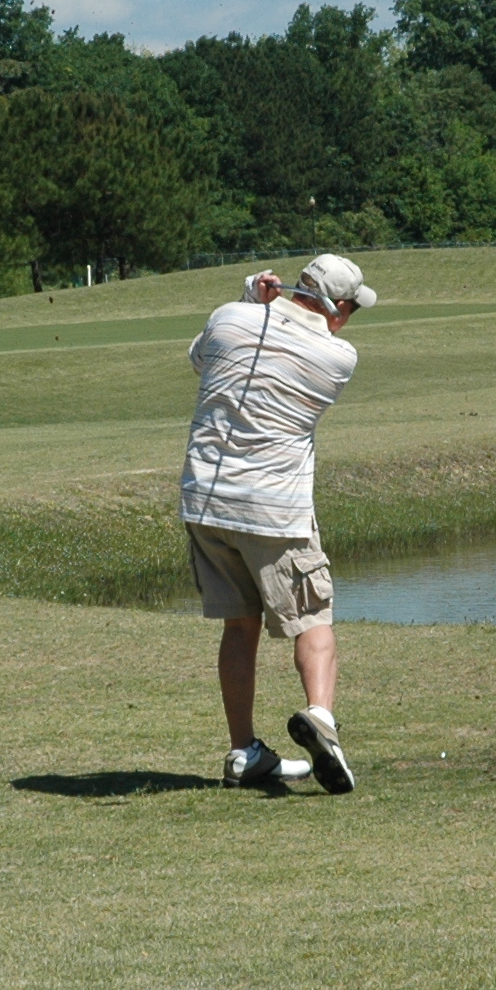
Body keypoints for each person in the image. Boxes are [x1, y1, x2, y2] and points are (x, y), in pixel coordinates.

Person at [181, 252, 376, 792]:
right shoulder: (338, 357)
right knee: (313, 617)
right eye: (351, 310)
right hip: (274, 510)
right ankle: (322, 718)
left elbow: (201, 358)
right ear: (336, 308)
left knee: (239, 625)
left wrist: (249, 301)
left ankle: (244, 752)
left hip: (204, 501)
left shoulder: (229, 317)